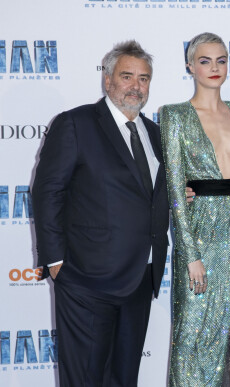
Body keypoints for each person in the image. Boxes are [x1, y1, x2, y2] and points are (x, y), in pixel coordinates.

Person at [32, 40, 169, 386]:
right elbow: (48, 192)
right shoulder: (76, 124)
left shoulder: (155, 133)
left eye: (144, 78)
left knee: (124, 379)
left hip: (141, 275)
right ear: (107, 81)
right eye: (127, 76)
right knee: (86, 379)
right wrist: (55, 261)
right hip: (86, 278)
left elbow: (150, 196)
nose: (136, 86)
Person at [160, 32, 230, 387]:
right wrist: (190, 255)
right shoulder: (173, 116)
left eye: (221, 60)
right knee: (192, 336)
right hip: (200, 236)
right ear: (190, 66)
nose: (214, 68)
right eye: (205, 60)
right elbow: (174, 189)